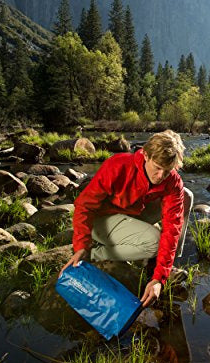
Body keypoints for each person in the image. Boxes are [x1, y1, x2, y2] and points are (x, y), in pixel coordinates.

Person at [60, 130, 185, 308]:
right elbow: (84, 206)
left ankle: (162, 265)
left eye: (167, 171)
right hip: (101, 218)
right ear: (146, 155)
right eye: (157, 168)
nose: (160, 176)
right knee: (155, 242)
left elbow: (173, 227)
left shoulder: (171, 180)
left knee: (184, 195)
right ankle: (96, 254)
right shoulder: (118, 165)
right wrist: (81, 247)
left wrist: (159, 278)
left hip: (131, 212)